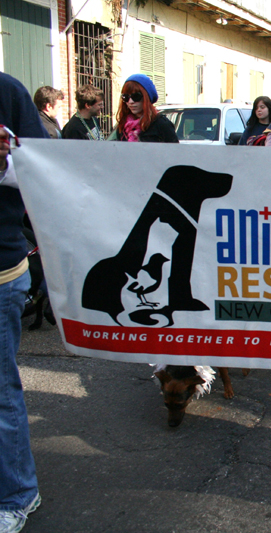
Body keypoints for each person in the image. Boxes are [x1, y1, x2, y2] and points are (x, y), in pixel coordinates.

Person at [0, 71, 47, 533]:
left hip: (1, 271)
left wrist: (4, 165)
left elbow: (44, 171)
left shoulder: (6, 92)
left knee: (0, 392)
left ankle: (16, 494)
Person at [109, 74, 177, 143]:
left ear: (146, 98)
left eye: (136, 96)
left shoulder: (161, 124)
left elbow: (174, 148)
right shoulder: (123, 125)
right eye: (125, 97)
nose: (131, 102)